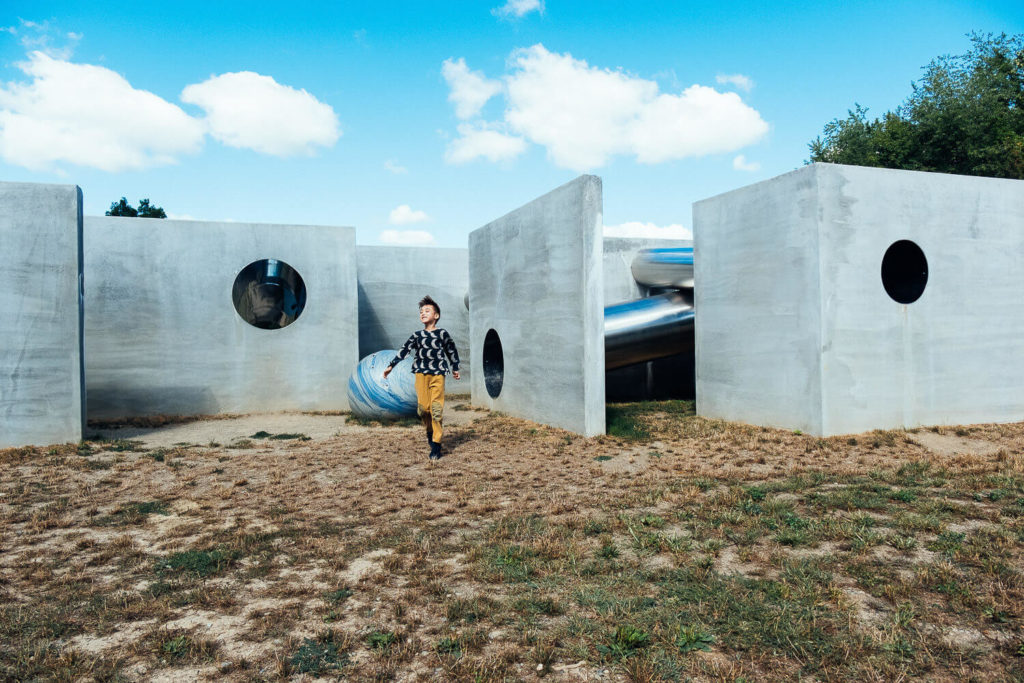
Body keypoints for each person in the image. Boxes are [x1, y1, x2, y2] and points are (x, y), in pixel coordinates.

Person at [383, 295, 461, 460]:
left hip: (438, 374)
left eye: (427, 310)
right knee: (423, 409)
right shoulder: (417, 335)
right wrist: (391, 365)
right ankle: (429, 431)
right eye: (421, 311)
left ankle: (436, 445)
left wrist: (455, 367)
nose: (423, 313)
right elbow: (404, 350)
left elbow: (451, 350)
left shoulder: (442, 333)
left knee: (437, 410)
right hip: (420, 374)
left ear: (436, 316)